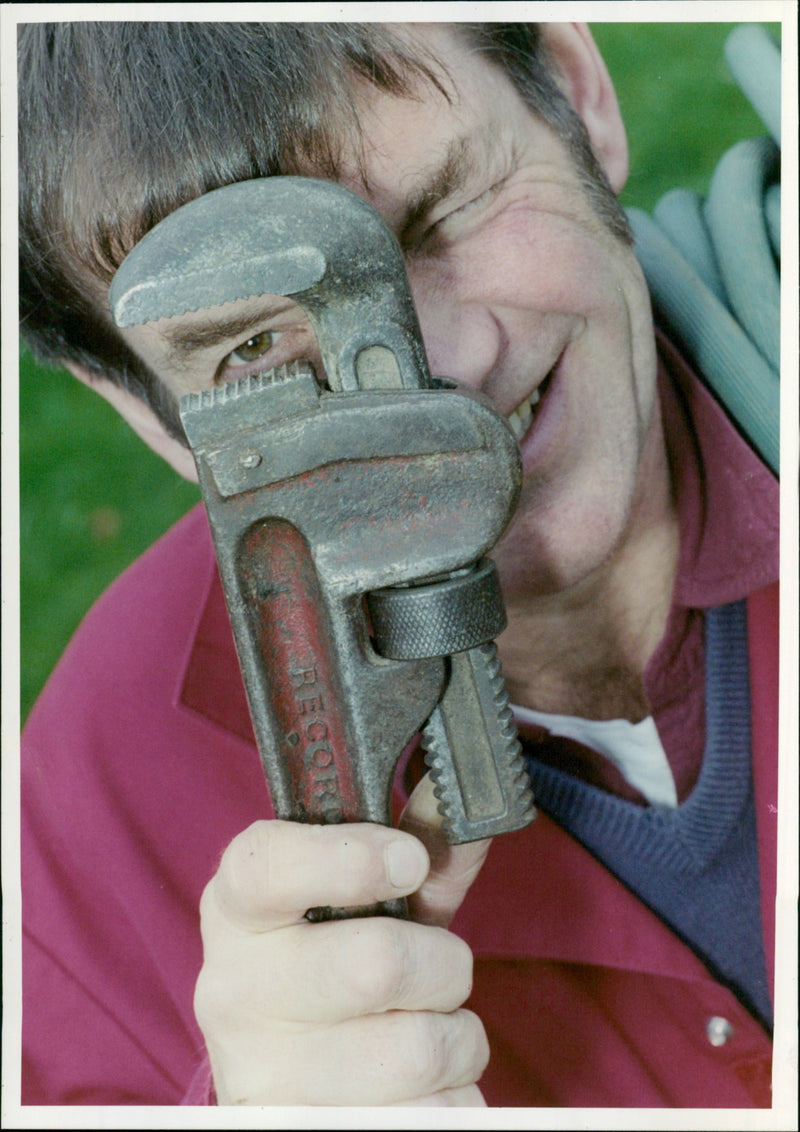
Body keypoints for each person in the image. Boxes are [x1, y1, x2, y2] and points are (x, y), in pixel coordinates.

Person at [18, 21, 779, 1108]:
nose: (449, 371)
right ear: (144, 407)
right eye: (254, 347)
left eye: (449, 207)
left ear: (576, 94)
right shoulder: (89, 833)